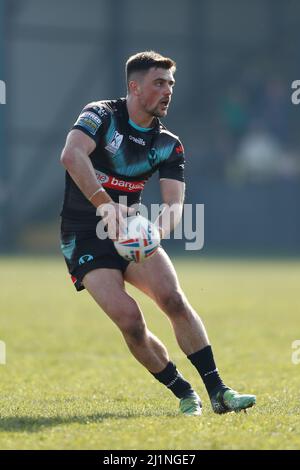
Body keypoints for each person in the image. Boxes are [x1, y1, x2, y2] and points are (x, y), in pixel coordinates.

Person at [60, 51, 256, 416]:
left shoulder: (169, 143)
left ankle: (219, 391)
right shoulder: (100, 115)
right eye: (159, 83)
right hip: (84, 233)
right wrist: (104, 204)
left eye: (171, 84)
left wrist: (154, 235)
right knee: (130, 321)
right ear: (134, 87)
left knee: (174, 299)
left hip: (132, 232)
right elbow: (72, 156)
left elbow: (174, 204)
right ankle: (184, 392)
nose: (168, 91)